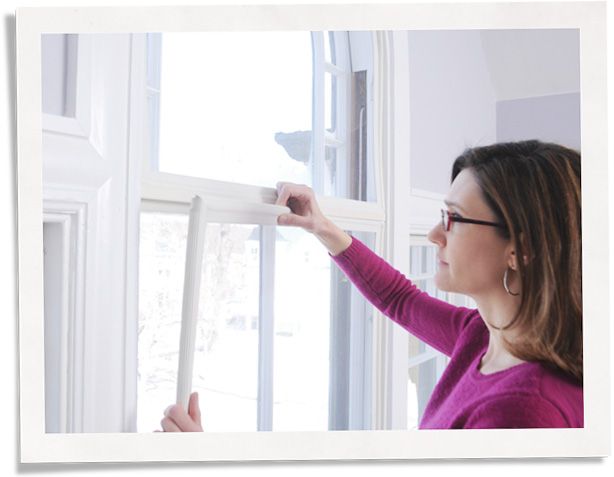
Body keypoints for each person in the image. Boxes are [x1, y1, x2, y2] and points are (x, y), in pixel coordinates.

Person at [159, 139, 583, 431]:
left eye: (453, 218)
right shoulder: (483, 337)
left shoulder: (527, 411)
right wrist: (322, 226)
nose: (436, 234)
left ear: (520, 249)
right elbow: (400, 298)